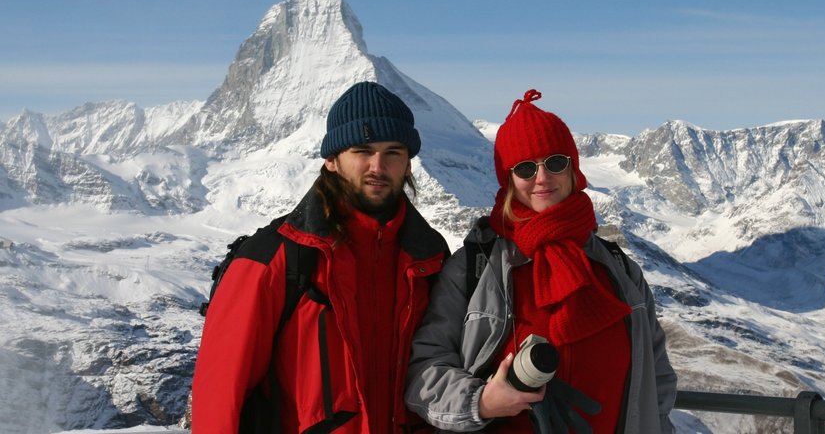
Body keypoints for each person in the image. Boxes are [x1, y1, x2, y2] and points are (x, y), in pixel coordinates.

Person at [405, 89, 677, 433]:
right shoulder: (474, 267)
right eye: (525, 168)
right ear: (509, 179)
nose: (543, 177)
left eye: (555, 162)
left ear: (573, 169)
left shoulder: (619, 269)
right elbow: (424, 371)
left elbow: (658, 380)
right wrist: (482, 401)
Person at [192, 81, 450, 433]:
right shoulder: (272, 259)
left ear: (407, 164)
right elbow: (219, 396)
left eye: (393, 152)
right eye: (362, 150)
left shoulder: (430, 257)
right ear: (331, 160)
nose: (378, 165)